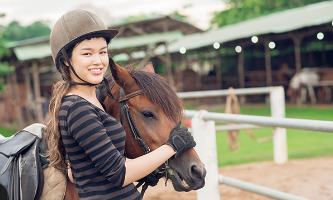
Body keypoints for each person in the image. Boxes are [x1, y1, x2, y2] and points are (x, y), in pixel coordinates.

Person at [44, 9, 196, 200]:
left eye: (102, 52)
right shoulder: (77, 109)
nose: (98, 61)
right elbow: (120, 173)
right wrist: (172, 146)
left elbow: (80, 173)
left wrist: (146, 168)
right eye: (87, 53)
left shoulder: (94, 101)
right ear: (66, 60)